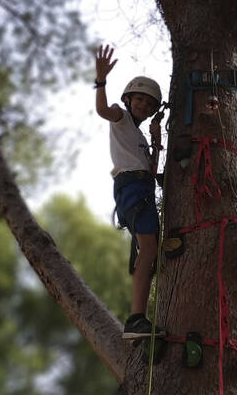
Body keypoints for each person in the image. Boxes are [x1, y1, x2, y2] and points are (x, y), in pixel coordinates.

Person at [94, 44, 165, 340]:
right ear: (128, 99)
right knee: (148, 250)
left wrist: (156, 140)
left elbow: (151, 171)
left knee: (151, 252)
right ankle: (136, 319)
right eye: (139, 100)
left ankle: (139, 316)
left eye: (150, 105)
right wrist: (100, 80)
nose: (144, 107)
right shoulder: (121, 117)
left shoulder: (138, 135)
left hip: (141, 187)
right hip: (131, 188)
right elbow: (102, 110)